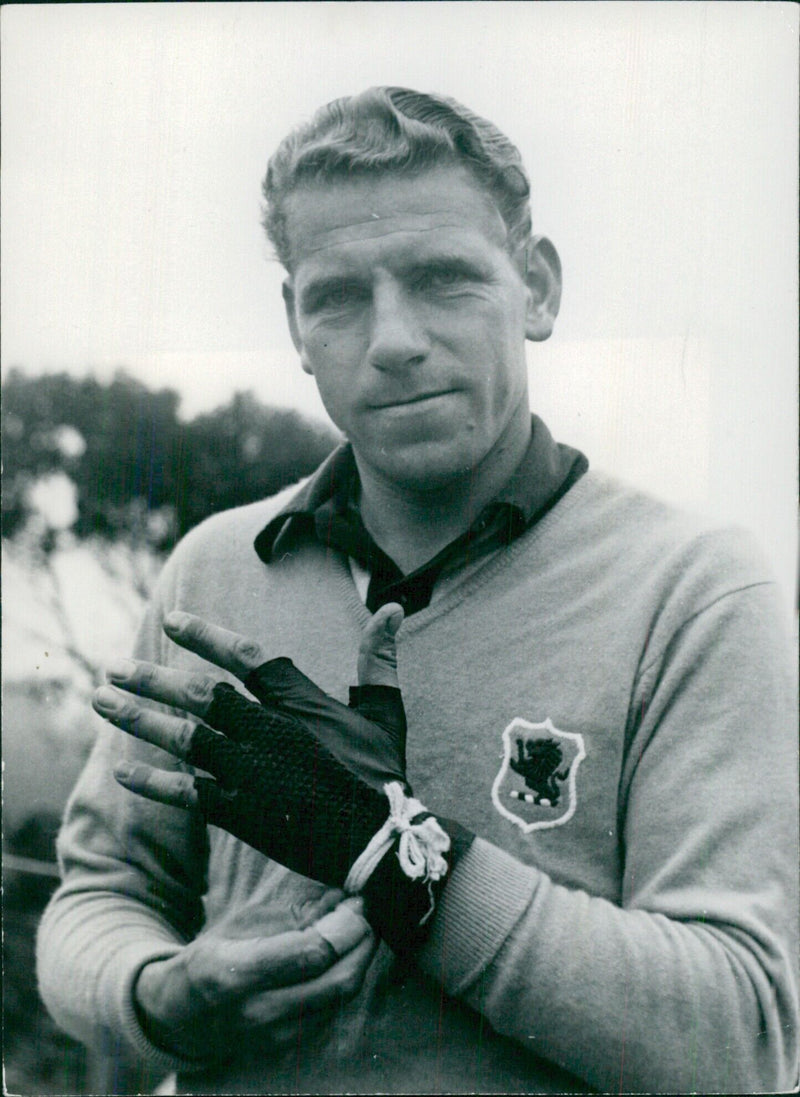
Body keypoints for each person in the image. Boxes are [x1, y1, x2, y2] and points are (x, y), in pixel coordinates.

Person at [37, 87, 798, 1095]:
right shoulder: (214, 568)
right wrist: (157, 994)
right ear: (295, 325)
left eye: (443, 278)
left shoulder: (695, 587)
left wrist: (389, 847)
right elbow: (101, 892)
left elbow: (737, 1038)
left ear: (534, 286)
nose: (391, 337)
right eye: (339, 295)